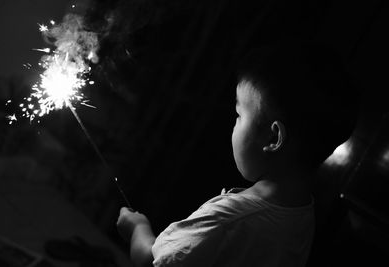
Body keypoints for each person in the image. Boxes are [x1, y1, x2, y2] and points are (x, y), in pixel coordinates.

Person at [116, 39, 359, 267]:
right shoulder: (302, 216)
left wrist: (138, 228)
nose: (233, 125)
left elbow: (150, 261)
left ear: (274, 138)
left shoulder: (226, 220)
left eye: (239, 115)